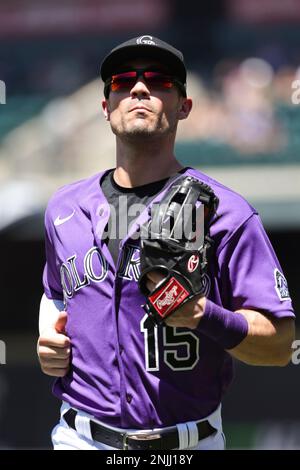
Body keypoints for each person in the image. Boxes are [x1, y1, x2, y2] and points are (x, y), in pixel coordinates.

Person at [37, 35, 295, 451]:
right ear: (106, 108)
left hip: (188, 443)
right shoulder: (63, 208)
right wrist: (48, 335)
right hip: (81, 439)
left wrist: (201, 315)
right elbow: (54, 293)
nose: (139, 88)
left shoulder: (226, 211)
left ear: (184, 106)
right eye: (122, 82)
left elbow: (282, 345)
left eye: (159, 81)